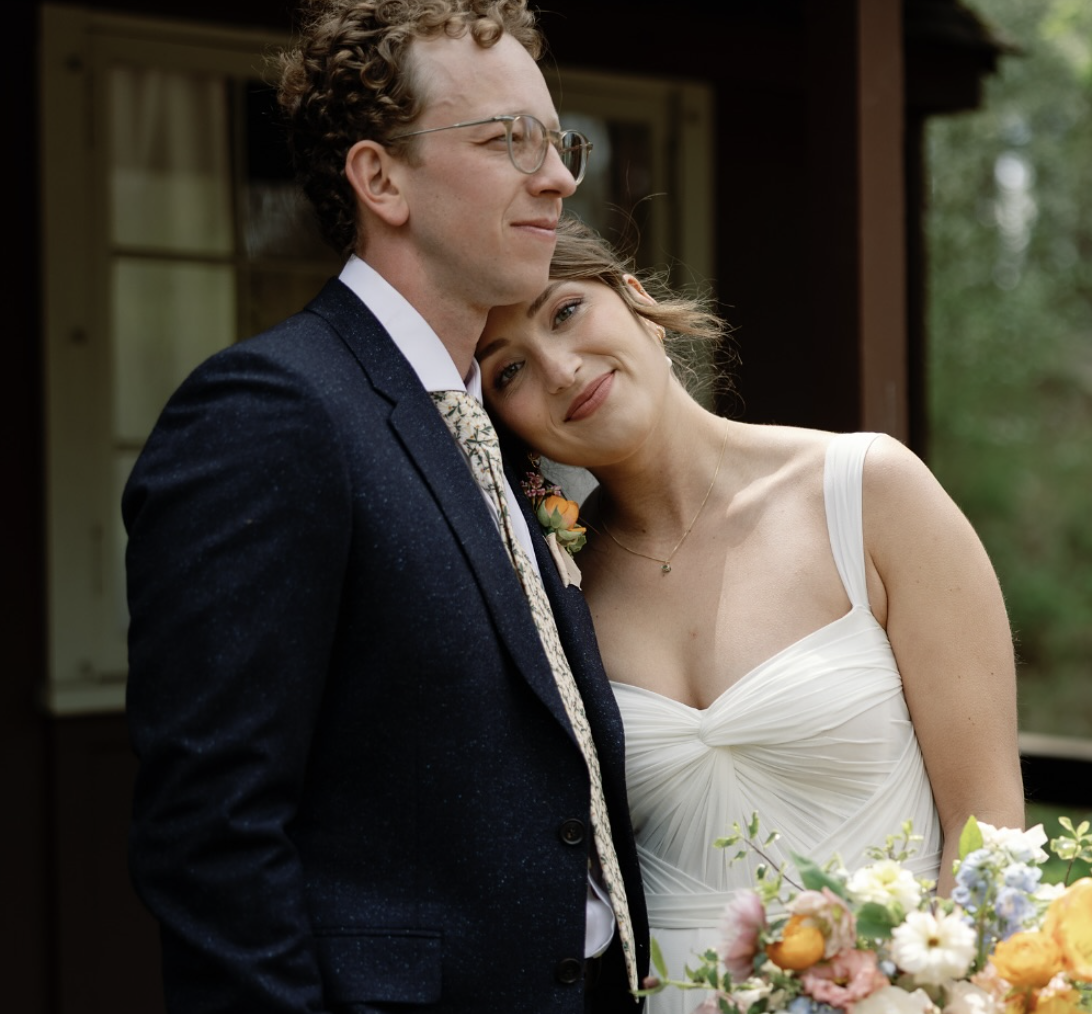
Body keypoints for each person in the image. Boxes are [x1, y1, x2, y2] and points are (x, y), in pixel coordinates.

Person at [122, 4, 649, 1012]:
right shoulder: (270, 413)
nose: (560, 177)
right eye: (510, 141)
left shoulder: (486, 423)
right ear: (380, 179)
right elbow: (210, 837)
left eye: (559, 140)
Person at [476, 216, 1026, 1014]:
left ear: (632, 297)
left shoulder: (869, 493)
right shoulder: (553, 593)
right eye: (508, 371)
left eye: (565, 311)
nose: (560, 370)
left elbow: (990, 826)